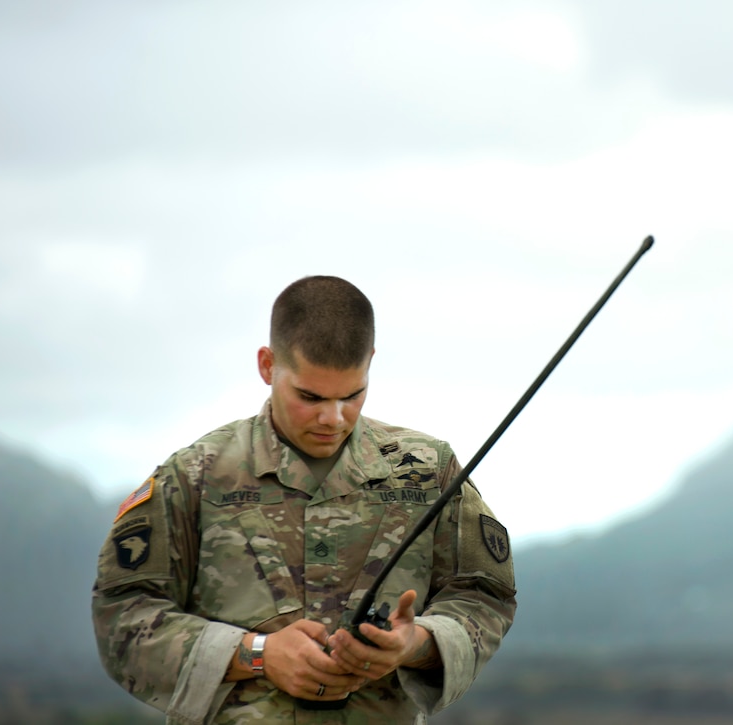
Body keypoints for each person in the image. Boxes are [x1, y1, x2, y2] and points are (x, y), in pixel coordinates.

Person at [92, 276, 517, 724]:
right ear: (267, 366)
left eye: (352, 395)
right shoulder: (195, 477)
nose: (333, 418)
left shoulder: (429, 470)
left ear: (371, 362)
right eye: (309, 397)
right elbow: (122, 614)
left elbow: (484, 596)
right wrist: (256, 654)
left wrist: (414, 644)